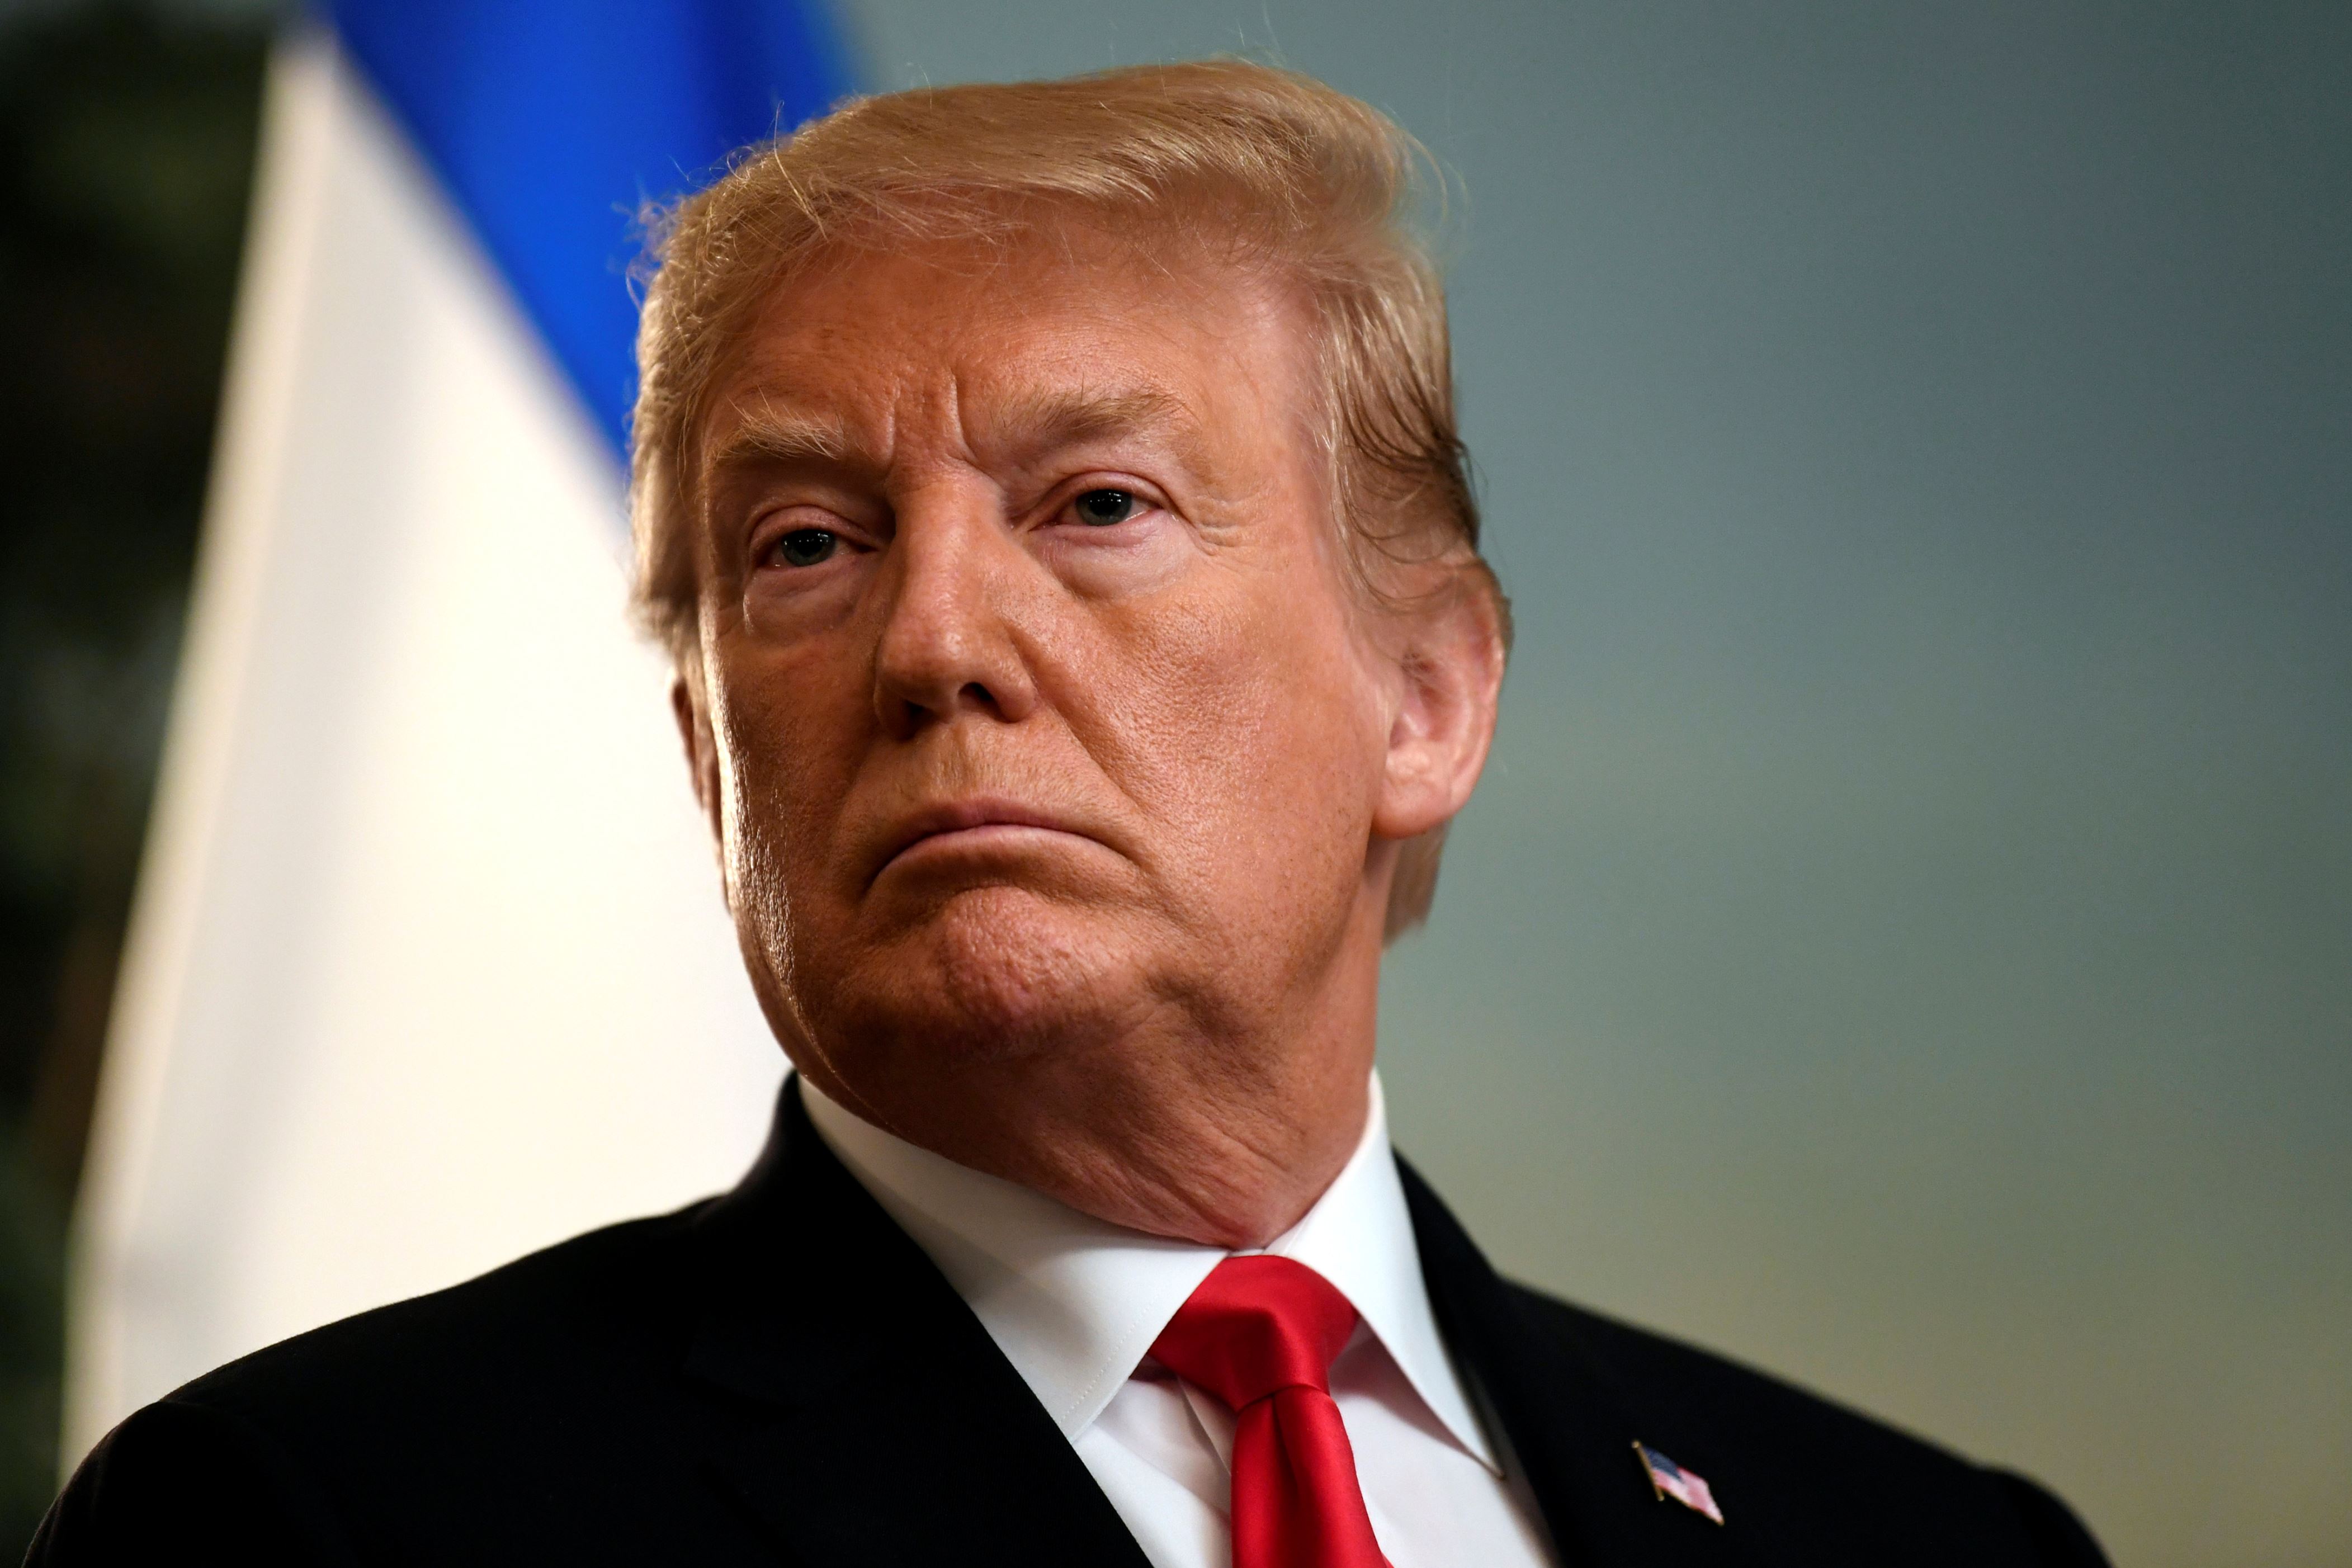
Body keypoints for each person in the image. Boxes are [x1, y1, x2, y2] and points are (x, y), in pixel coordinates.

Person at [30, 62, 2107, 1567]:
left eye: (1097, 505)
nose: (934, 639)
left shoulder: (1937, 1544)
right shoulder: (309, 1529)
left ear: (1429, 694)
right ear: (705, 755)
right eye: (812, 545)